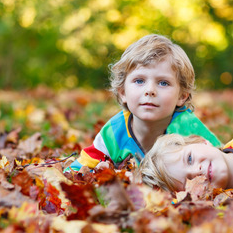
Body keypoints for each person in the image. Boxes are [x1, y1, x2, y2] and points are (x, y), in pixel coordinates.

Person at [66, 34, 221, 171]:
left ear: (182, 96)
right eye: (139, 80)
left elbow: (223, 159)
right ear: (122, 92)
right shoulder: (114, 132)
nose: (150, 90)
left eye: (163, 83)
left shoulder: (188, 128)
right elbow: (77, 171)